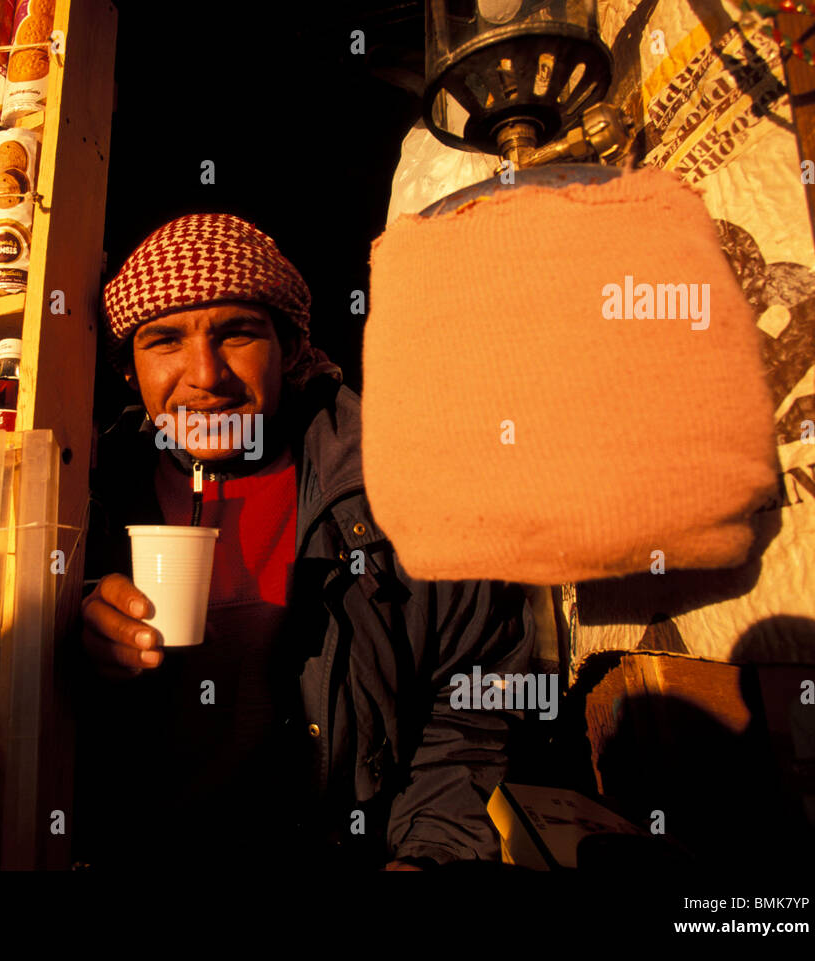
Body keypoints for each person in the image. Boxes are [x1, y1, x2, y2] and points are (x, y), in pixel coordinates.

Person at [72, 213, 536, 871]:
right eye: (164, 340)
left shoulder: (402, 484)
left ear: (289, 348)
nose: (205, 375)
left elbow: (474, 700)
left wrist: (431, 851)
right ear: (128, 371)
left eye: (237, 334)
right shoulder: (84, 491)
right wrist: (73, 629)